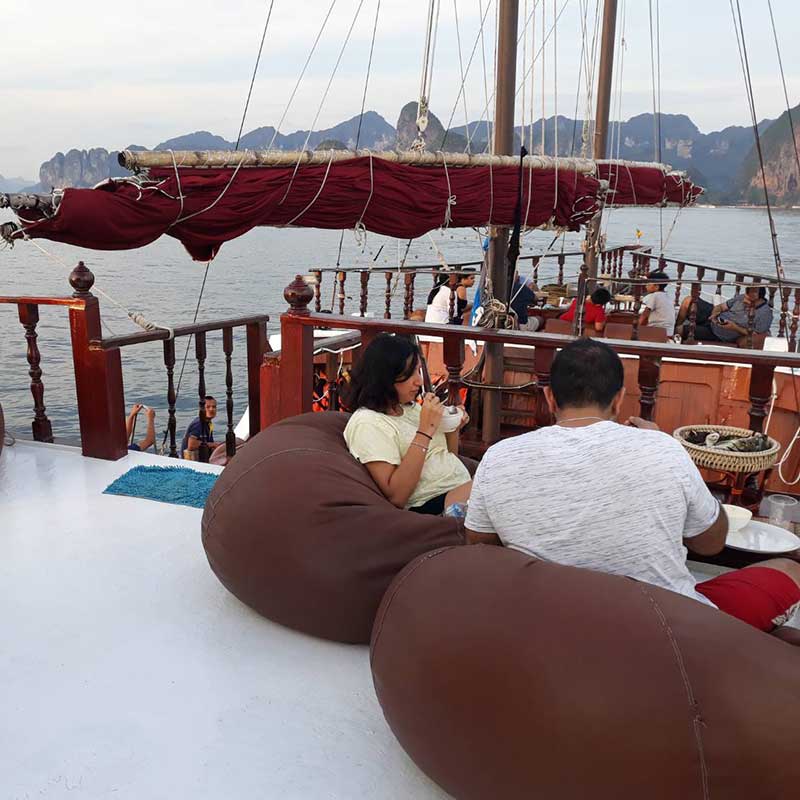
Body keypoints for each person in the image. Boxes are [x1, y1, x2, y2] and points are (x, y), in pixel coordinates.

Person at [465, 338, 800, 643]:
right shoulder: (663, 449)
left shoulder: (499, 457)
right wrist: (659, 446)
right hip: (669, 635)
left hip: (549, 627)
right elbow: (710, 543)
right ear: (619, 399)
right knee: (789, 570)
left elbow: (479, 546)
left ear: (549, 397)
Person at [343, 333, 471, 515]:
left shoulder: (410, 408)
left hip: (458, 490)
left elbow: (447, 459)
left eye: (418, 371)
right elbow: (397, 495)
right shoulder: (367, 422)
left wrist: (453, 427)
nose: (419, 381)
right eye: (409, 374)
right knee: (499, 482)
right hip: (429, 505)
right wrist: (425, 431)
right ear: (386, 377)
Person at [675, 285, 773, 343]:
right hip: (715, 317)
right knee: (689, 300)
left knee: (680, 330)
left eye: (748, 300)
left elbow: (756, 335)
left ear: (758, 299)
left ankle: (675, 335)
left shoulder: (765, 314)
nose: (744, 300)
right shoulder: (742, 297)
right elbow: (721, 307)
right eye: (745, 297)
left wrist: (735, 327)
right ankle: (674, 327)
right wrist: (714, 314)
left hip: (719, 334)